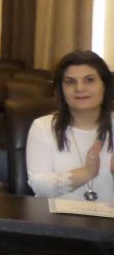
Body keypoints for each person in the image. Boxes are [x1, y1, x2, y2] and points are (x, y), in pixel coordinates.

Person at [27, 50, 114, 202]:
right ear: (61, 90)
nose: (79, 88)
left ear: (105, 86)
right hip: (55, 215)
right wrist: (86, 173)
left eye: (89, 80)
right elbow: (39, 186)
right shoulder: (43, 127)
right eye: (70, 82)